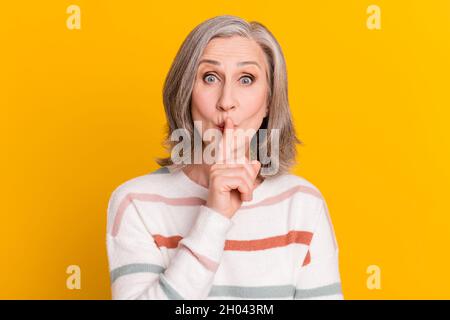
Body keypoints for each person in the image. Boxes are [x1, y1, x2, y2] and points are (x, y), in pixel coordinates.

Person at [106, 15, 343, 299]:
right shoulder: (136, 203)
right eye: (209, 77)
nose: (226, 101)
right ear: (185, 93)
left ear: (268, 101)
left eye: (246, 79)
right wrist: (215, 216)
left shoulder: (303, 204)